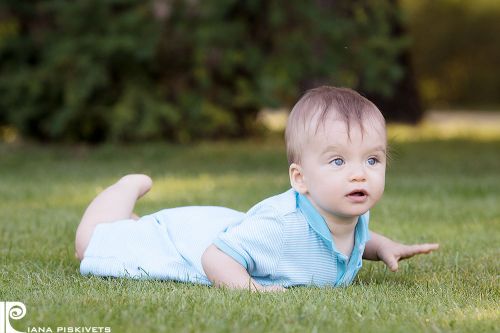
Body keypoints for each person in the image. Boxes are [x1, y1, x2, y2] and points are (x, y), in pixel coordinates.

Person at [75, 86, 439, 291]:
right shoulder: (280, 227)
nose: (360, 175)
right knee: (92, 243)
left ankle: (137, 221)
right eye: (338, 161)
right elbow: (215, 258)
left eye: (372, 160)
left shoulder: (346, 207)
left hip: (228, 228)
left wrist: (383, 246)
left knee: (139, 229)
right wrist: (252, 290)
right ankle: (127, 187)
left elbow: (353, 234)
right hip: (198, 242)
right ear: (300, 179)